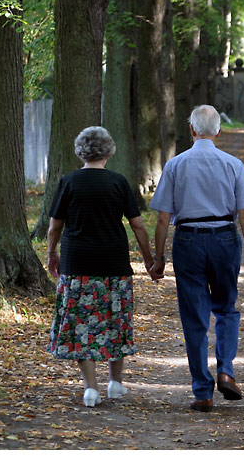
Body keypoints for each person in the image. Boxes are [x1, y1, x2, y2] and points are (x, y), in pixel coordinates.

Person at [148, 105, 244, 412]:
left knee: (194, 318)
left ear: (192, 129)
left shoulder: (175, 165)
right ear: (219, 131)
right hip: (225, 238)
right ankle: (226, 369)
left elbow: (162, 219)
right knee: (226, 309)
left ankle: (202, 392)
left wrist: (158, 258)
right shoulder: (233, 164)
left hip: (188, 241)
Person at [46, 126, 156, 407]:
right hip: (113, 263)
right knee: (115, 320)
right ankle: (116, 384)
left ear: (80, 151)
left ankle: (90, 388)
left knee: (82, 323)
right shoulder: (119, 182)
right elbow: (138, 225)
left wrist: (51, 253)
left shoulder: (68, 182)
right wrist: (148, 259)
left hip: (77, 262)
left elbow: (54, 226)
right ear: (108, 151)